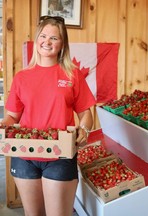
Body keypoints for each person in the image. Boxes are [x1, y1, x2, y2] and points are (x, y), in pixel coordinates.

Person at [0, 15, 96, 216]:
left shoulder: (72, 75)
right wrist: (3, 125)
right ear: (37, 40)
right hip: (25, 156)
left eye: (54, 38)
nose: (47, 42)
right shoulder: (22, 77)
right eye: (43, 36)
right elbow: (12, 117)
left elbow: (86, 113)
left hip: (59, 155)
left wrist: (84, 129)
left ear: (62, 44)